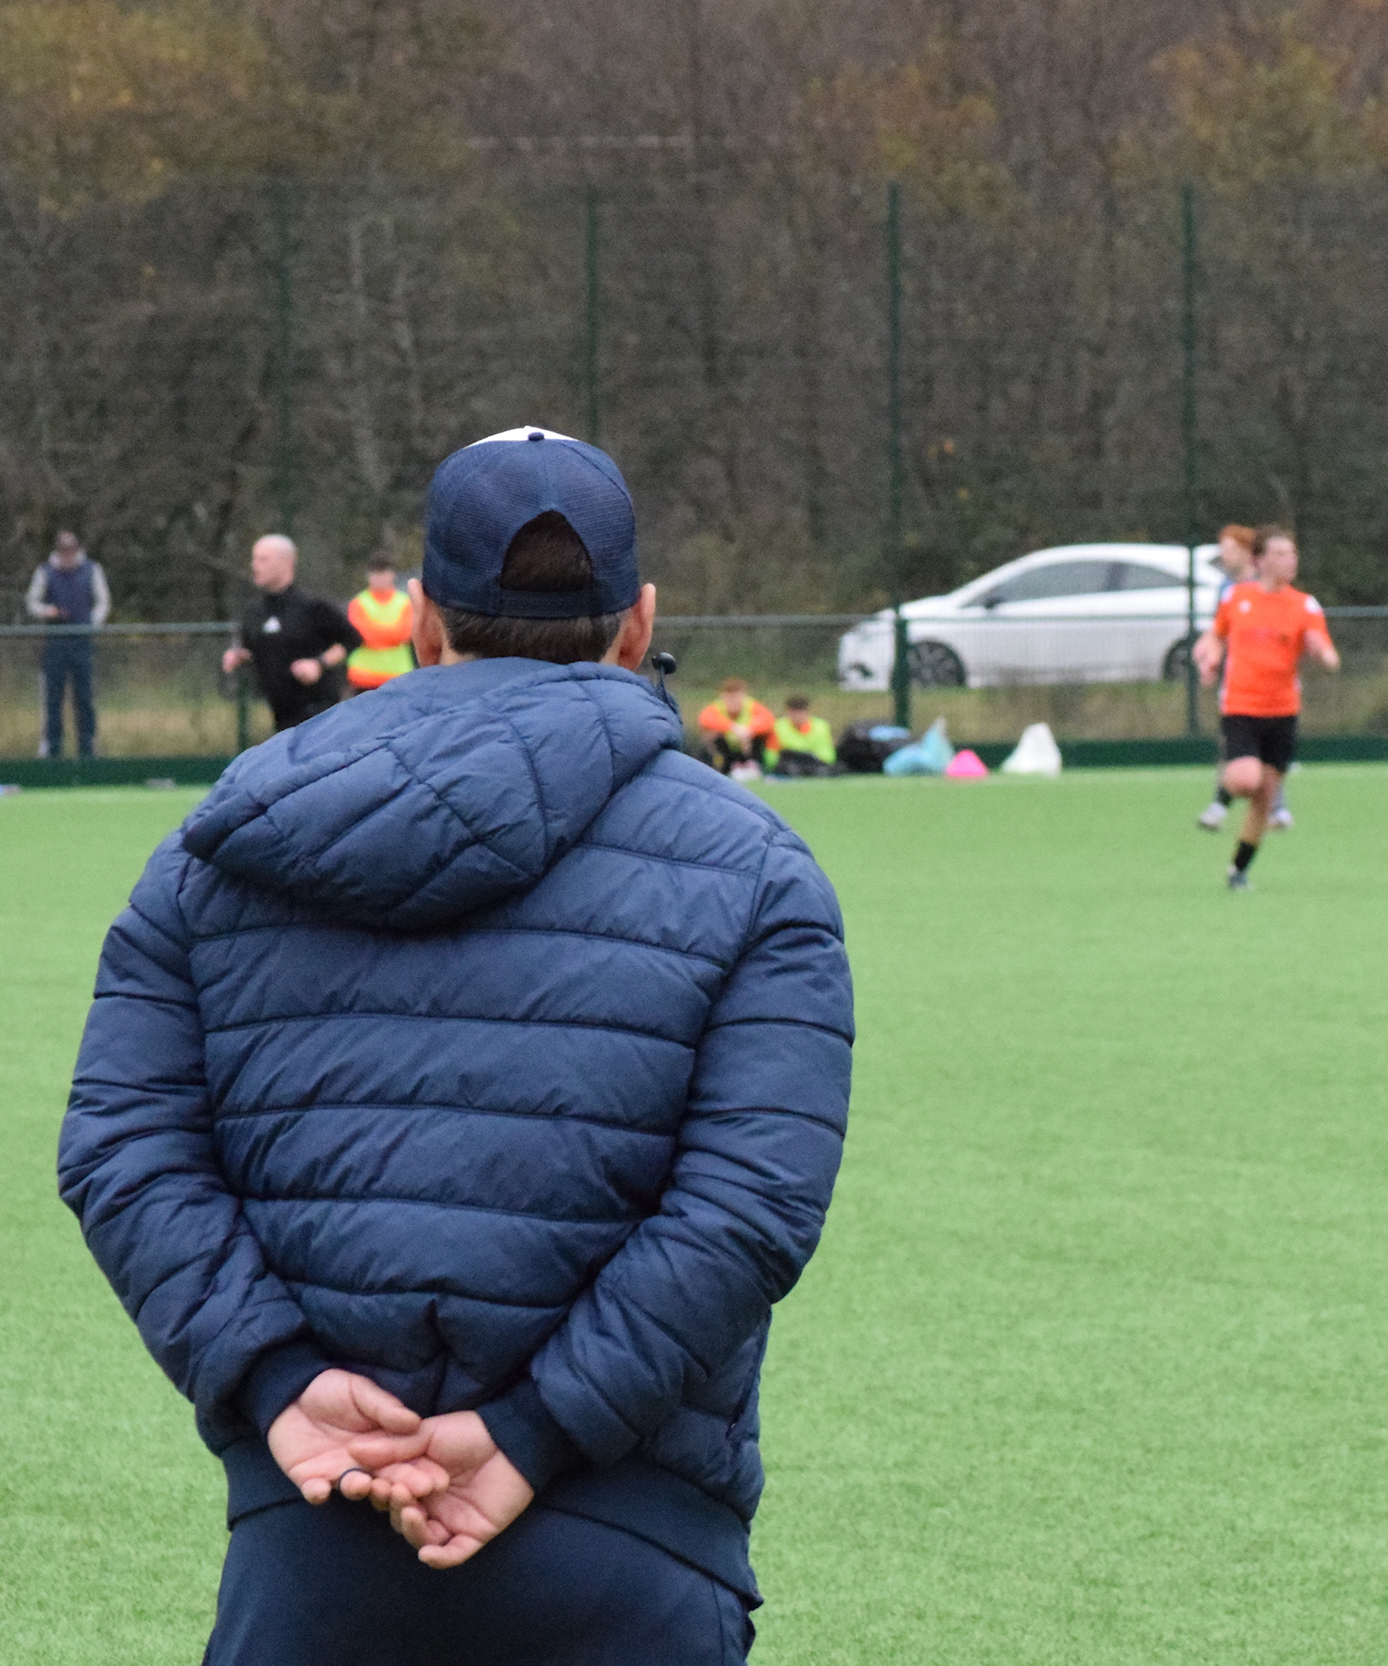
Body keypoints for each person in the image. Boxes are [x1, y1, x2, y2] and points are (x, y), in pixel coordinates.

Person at [58, 424, 853, 1666]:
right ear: (639, 625)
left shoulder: (227, 833)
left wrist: (279, 1383)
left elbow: (122, 1143)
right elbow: (749, 1204)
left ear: (423, 624)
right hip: (634, 1549)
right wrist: (536, 1430)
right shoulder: (760, 867)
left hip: (313, 1531)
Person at [1202, 526, 1338, 890]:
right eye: (1279, 554)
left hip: (1283, 712)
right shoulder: (1236, 598)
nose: (1289, 560)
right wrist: (1210, 658)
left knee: (1264, 798)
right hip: (1242, 707)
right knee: (1247, 779)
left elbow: (1329, 655)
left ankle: (1238, 870)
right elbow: (1216, 635)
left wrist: (1322, 654)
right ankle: (1222, 798)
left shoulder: (1304, 605)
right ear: (1259, 560)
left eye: (1292, 553)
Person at [1192, 525, 1298, 833]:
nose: (1224, 554)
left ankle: (1274, 808)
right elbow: (1219, 631)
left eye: (1229, 548)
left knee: (1269, 753)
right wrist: (1209, 656)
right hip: (1238, 684)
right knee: (1237, 751)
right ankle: (1224, 805)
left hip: (1272, 686)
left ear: (1246, 552)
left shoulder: (1266, 585)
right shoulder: (1226, 588)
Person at [221, 535, 362, 732]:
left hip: (318, 713)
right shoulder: (255, 612)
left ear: (286, 563)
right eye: (254, 559)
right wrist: (238, 657)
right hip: (280, 716)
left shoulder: (312, 606)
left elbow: (352, 639)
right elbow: (253, 650)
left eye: (263, 559)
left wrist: (318, 664)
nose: (255, 566)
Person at [27, 530, 112, 759]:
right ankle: (52, 749)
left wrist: (91, 623)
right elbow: (32, 602)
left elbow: (103, 602)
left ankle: (88, 749)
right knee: (52, 699)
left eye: (71, 550)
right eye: (63, 550)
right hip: (55, 643)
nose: (68, 555)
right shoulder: (45, 571)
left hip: (82, 642)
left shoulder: (92, 569)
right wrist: (49, 611)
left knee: (85, 697)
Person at [345, 553, 418, 690]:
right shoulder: (358, 603)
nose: (380, 578)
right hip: (364, 677)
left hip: (398, 676)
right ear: (368, 576)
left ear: (392, 574)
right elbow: (360, 634)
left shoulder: (404, 603)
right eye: (376, 573)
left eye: (383, 573)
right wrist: (391, 636)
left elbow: (406, 633)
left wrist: (376, 634)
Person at [696, 678, 775, 777]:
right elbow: (704, 719)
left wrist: (749, 731)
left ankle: (755, 765)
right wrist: (733, 728)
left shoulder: (751, 706)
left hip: (748, 747)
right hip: (726, 750)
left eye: (737, 696)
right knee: (710, 735)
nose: (734, 701)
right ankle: (717, 767)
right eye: (730, 697)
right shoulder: (717, 707)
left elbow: (768, 720)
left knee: (766, 734)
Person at [770, 694, 837, 775]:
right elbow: (772, 753)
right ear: (788, 712)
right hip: (790, 762)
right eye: (794, 712)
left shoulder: (821, 726)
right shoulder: (778, 726)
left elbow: (827, 755)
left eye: (801, 712)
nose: (798, 716)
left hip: (816, 762)